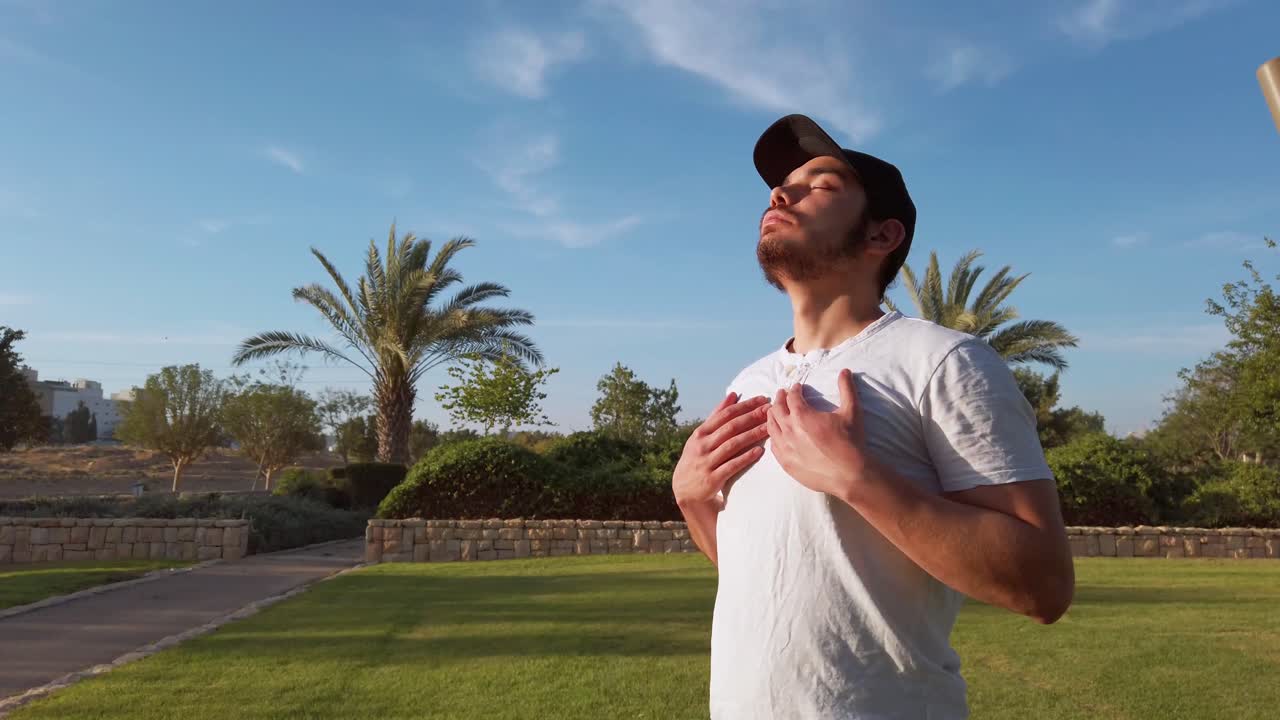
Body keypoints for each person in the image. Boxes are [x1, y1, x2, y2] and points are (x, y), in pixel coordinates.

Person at [671, 114, 1075, 719]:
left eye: (822, 185)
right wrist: (693, 501)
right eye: (782, 187)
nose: (782, 194)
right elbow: (764, 575)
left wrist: (858, 480)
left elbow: (1044, 586)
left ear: (882, 237)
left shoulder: (944, 362)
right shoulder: (748, 382)